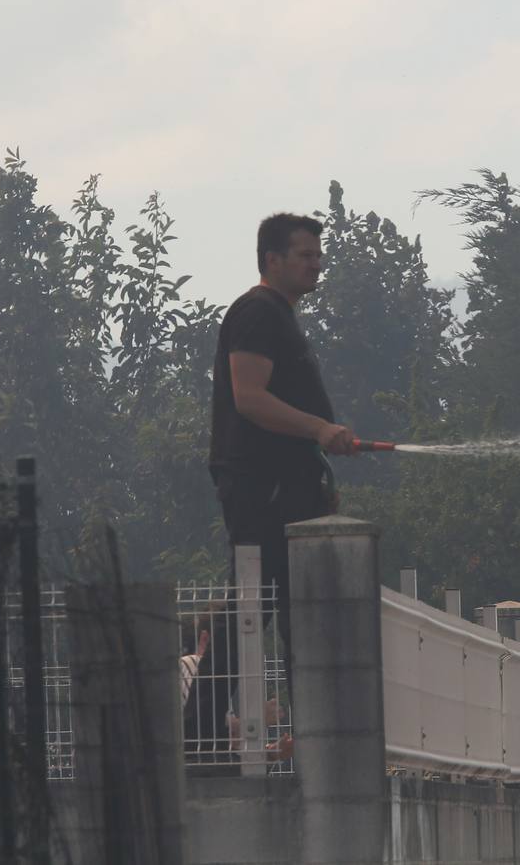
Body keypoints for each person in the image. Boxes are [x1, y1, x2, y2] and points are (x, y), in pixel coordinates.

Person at [200, 212, 355, 753]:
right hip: (261, 490)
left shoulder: (280, 317)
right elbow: (250, 398)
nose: (317, 264)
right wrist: (320, 428)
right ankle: (198, 735)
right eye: (305, 255)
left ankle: (305, 735)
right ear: (272, 260)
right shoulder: (257, 313)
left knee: (289, 607)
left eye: (318, 254)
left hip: (286, 487)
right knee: (256, 603)